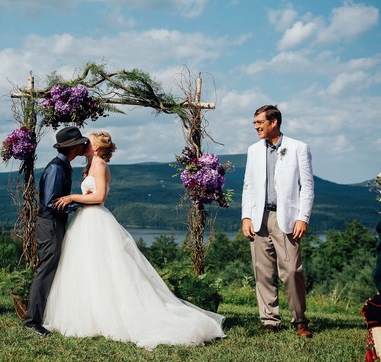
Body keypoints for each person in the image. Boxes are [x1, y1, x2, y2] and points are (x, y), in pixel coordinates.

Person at [42, 131, 225, 349]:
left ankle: (110, 316)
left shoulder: (99, 164)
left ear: (97, 148)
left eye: (87, 142)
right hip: (85, 220)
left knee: (105, 270)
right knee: (89, 269)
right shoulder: (90, 165)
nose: (83, 145)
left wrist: (72, 197)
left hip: (96, 219)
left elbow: (99, 197)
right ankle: (91, 313)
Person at [241, 105, 315, 338]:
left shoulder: (298, 148)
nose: (256, 127)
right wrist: (245, 216)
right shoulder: (253, 150)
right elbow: (248, 186)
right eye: (254, 123)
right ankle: (269, 320)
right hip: (259, 217)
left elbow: (307, 187)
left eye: (259, 122)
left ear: (274, 122)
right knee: (262, 271)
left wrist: (303, 217)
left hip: (288, 219)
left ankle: (299, 320)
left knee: (292, 271)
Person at [23, 127, 89, 336]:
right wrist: (80, 204)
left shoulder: (63, 165)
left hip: (53, 223)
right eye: (80, 143)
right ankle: (32, 321)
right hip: (49, 224)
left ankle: (42, 315)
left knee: (52, 268)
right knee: (46, 270)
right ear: (72, 147)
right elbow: (51, 202)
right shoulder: (57, 169)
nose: (84, 145)